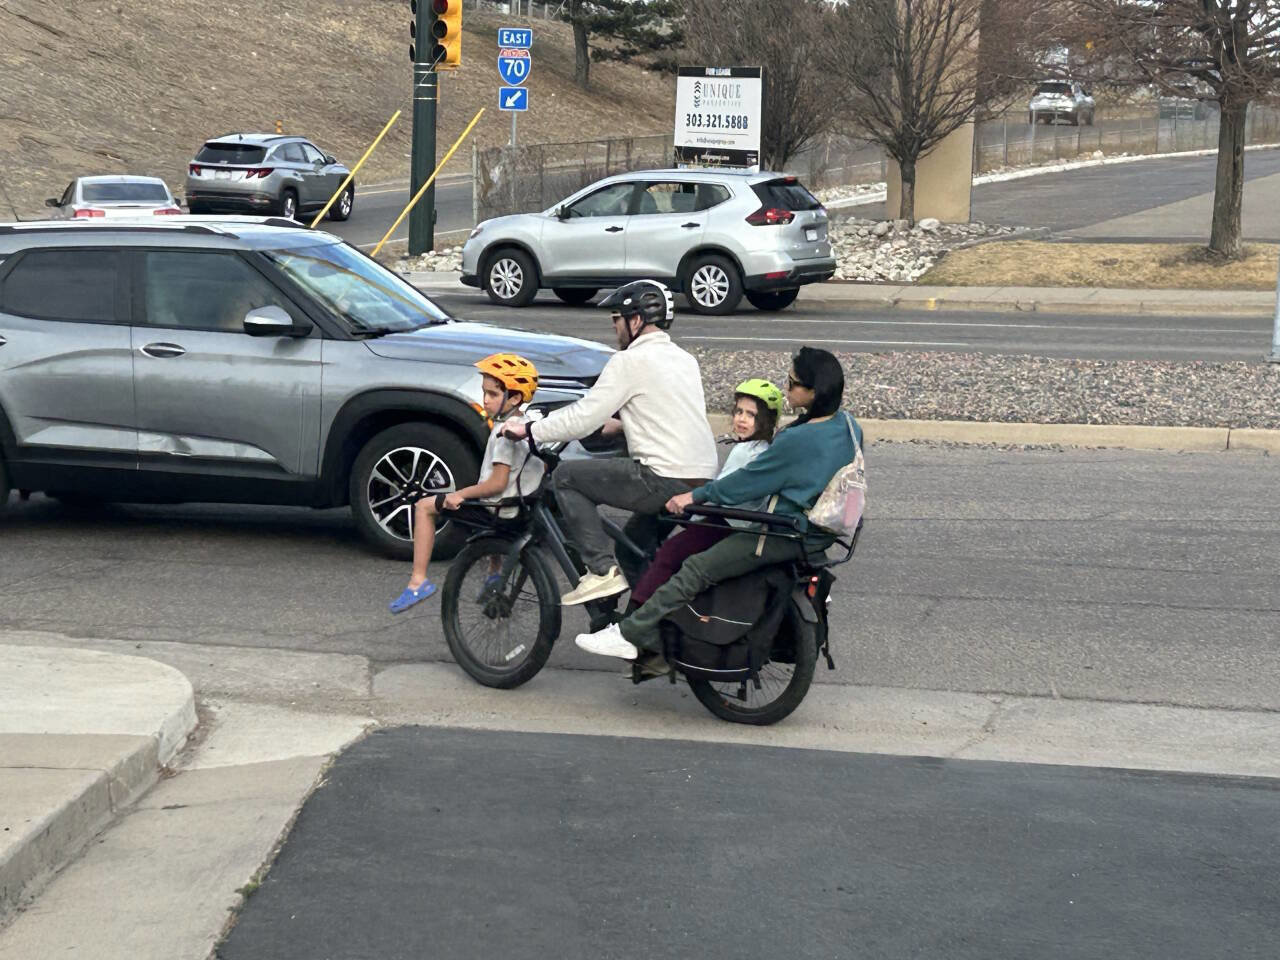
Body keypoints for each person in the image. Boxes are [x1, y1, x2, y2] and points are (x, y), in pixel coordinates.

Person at [571, 346, 863, 661]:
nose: (786, 388)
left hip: (784, 533)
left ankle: (631, 633)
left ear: (813, 392)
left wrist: (694, 496)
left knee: (696, 567)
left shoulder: (798, 440)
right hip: (824, 530)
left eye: (792, 383)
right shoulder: (848, 426)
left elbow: (746, 482)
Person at [502, 280, 718, 606]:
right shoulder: (684, 359)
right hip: (699, 477)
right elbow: (670, 411)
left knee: (566, 478)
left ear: (635, 320)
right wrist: (622, 425)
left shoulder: (629, 361)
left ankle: (600, 572)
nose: (614, 328)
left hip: (661, 475)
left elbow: (583, 417)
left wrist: (531, 429)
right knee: (633, 551)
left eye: (617, 319)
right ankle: (644, 631)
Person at [388, 353, 544, 613]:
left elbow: (496, 483)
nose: (485, 400)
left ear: (515, 397)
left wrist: (461, 494)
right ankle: (494, 574)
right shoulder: (528, 426)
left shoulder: (506, 433)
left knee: (425, 506)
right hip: (520, 506)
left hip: (499, 509)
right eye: (484, 392)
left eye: (493, 394)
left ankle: (418, 582)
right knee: (478, 500)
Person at [626, 378, 783, 609]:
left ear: (767, 421)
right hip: (733, 518)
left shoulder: (747, 452)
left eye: (751, 415)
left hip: (726, 522)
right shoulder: (761, 448)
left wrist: (691, 501)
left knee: (670, 552)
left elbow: (724, 491)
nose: (741, 418)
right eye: (739, 411)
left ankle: (634, 614)